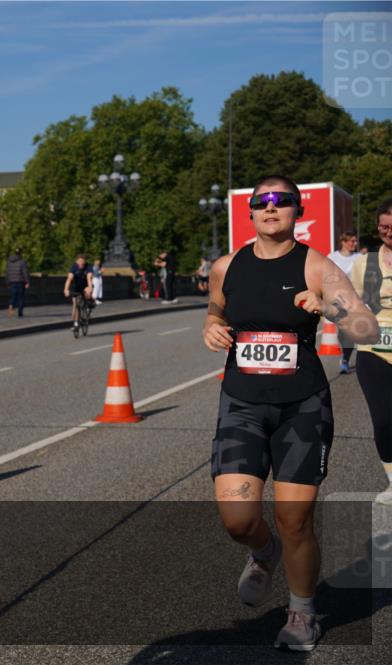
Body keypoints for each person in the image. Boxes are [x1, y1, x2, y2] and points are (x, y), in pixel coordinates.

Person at [202, 176, 378, 651]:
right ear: (251, 212)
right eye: (262, 201)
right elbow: (216, 311)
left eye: (282, 201)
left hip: (302, 406)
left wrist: (328, 309)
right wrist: (212, 327)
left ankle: (302, 613)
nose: (271, 207)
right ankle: (263, 552)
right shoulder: (227, 266)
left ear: (297, 211)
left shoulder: (315, 266)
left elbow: (366, 325)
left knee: (294, 517)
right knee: (237, 518)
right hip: (241, 403)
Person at [348, 198, 392, 505]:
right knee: (385, 419)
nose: (388, 232)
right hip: (374, 349)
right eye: (383, 227)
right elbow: (348, 300)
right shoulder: (366, 262)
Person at [327, 232, 359, 373]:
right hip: (336, 301)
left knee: (349, 333)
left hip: (353, 300)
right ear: (343, 242)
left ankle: (345, 359)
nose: (355, 244)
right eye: (352, 241)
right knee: (343, 332)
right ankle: (345, 355)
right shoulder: (332, 257)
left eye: (355, 241)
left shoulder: (360, 258)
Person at [64, 254, 93, 333]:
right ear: (76, 262)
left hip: (85, 286)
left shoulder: (88, 267)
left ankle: (88, 304)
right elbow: (69, 279)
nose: (81, 265)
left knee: (88, 292)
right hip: (76, 287)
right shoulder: (74, 267)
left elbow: (89, 278)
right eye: (80, 263)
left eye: (83, 263)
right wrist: (66, 289)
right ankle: (75, 323)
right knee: (75, 305)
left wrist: (90, 288)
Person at [6, 248, 30, 318]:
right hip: (20, 281)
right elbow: (25, 272)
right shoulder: (22, 262)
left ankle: (11, 305)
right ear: (20, 253)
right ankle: (20, 313)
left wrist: (7, 282)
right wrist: (27, 281)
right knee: (21, 297)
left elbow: (7, 273)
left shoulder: (9, 262)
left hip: (12, 281)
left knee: (13, 296)